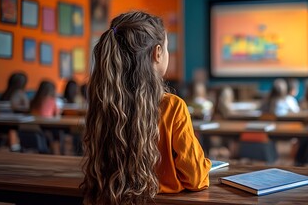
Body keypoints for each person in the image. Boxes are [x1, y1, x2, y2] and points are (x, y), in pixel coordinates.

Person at [82, 11, 211, 204]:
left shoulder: (103, 101)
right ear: (157, 53)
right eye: (167, 48)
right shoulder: (173, 106)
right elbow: (196, 179)